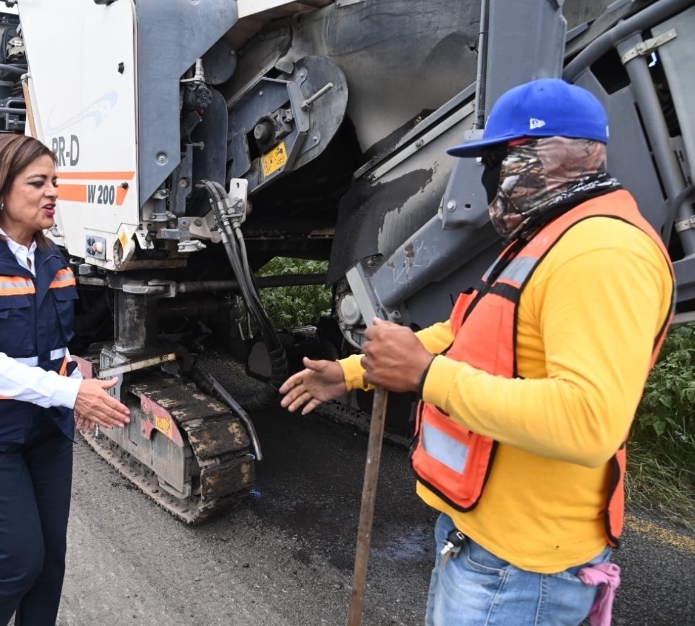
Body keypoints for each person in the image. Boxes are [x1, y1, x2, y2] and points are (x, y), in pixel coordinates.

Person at [279, 78, 675, 625]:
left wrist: (427, 376)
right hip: (483, 543)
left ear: (542, 158)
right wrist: (351, 373)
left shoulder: (601, 252)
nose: (488, 178)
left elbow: (588, 422)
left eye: (496, 161)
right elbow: (463, 333)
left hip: (522, 571)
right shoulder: (546, 239)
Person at [0, 133, 132, 626]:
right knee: (19, 561)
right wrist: (70, 393)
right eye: (38, 183)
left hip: (45, 432)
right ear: (0, 189)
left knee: (49, 564)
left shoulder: (53, 258)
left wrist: (75, 380)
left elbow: (54, 347)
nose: (52, 192)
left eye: (55, 181)